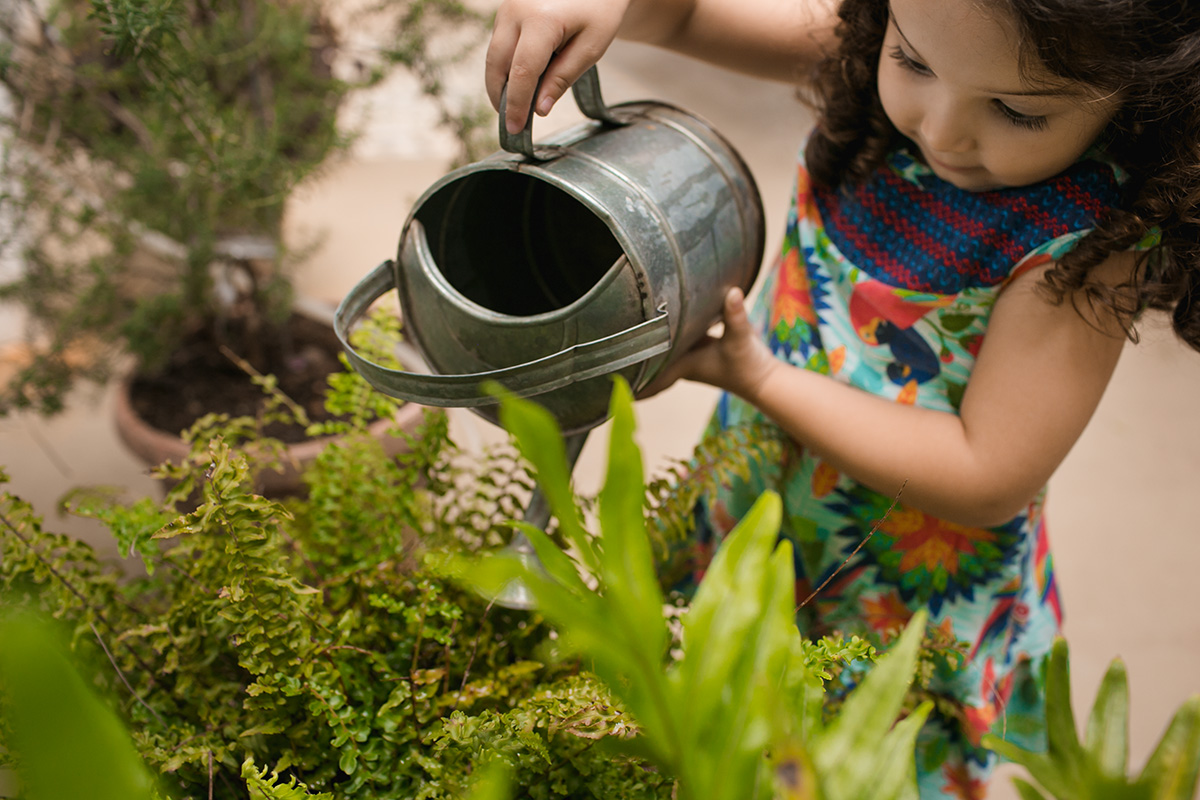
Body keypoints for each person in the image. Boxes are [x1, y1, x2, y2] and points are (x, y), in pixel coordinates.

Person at [484, 0, 1200, 796]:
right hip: (748, 527)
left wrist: (762, 382)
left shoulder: (1083, 240)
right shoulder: (873, 52)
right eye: (915, 62)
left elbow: (988, 473)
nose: (943, 128)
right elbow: (681, 17)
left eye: (1016, 110)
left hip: (897, 613)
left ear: (1139, 95)